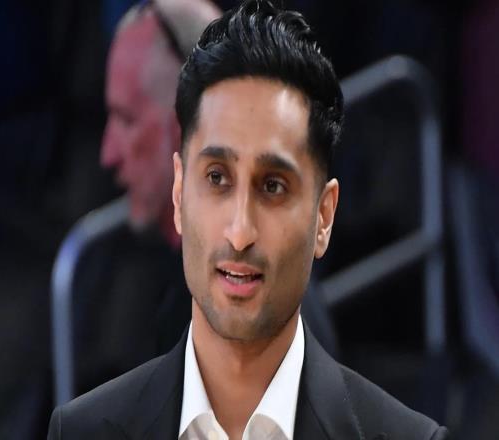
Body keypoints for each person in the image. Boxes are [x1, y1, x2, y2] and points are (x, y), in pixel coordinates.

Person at [48, 1, 450, 439]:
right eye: (217, 178)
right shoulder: (82, 429)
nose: (240, 232)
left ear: (324, 215)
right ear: (180, 191)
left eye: (273, 186)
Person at [71, 0, 221, 393]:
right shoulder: (182, 303)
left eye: (127, 119)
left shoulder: (244, 316)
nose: (108, 154)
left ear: (186, 126)